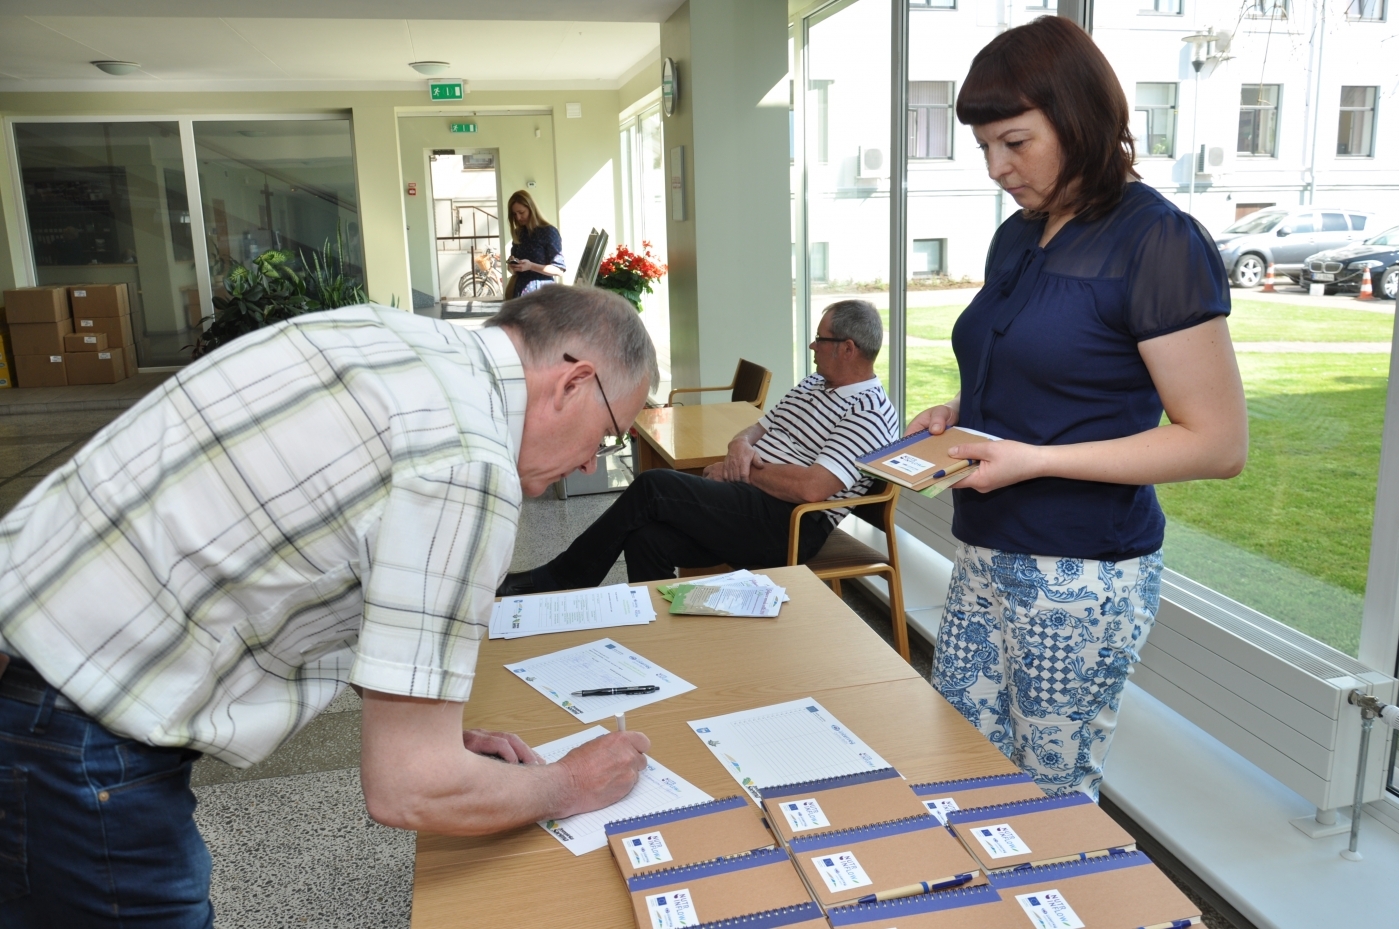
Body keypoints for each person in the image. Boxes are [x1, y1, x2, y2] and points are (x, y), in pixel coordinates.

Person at [0, 285, 657, 927]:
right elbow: (408, 787)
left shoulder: (392, 337)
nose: (586, 466)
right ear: (573, 382)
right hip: (76, 732)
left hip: (30, 647)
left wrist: (427, 731)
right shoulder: (468, 460)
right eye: (605, 436)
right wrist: (570, 783)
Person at [907, 17, 1248, 800]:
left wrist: (1037, 460)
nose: (996, 167)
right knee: (959, 766)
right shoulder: (1019, 236)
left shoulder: (1157, 241)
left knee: (1050, 793)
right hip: (987, 548)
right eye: (984, 147)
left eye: (1014, 142)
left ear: (1079, 120)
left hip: (1081, 572)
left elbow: (1217, 443)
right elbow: (1051, 369)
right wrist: (958, 410)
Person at [499, 300, 900, 593]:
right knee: (647, 538)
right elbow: (754, 431)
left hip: (790, 524)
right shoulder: (814, 384)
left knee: (654, 486)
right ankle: (659, 639)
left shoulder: (870, 411)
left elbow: (812, 488)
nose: (812, 346)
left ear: (848, 348)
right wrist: (738, 448)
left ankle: (561, 578)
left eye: (820, 339)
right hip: (750, 500)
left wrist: (743, 469)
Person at [505, 189, 566, 297]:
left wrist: (531, 266)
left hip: (541, 295)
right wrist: (513, 266)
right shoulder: (519, 233)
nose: (518, 218)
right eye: (514, 214)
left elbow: (559, 270)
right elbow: (512, 270)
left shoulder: (548, 231)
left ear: (531, 209)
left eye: (521, 212)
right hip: (519, 293)